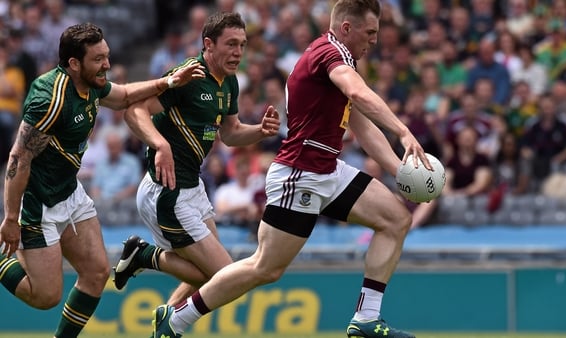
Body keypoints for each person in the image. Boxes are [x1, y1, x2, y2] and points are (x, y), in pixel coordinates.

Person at [149, 0, 432, 337]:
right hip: (300, 174)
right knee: (265, 268)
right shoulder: (330, 54)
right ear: (346, 29)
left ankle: (366, 319)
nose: (374, 39)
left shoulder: (341, 59)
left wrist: (399, 170)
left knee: (397, 219)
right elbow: (358, 91)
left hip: (326, 169)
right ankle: (176, 318)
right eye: (370, 32)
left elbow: (362, 122)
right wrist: (403, 131)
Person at [0, 22, 203, 338]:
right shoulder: (50, 99)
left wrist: (169, 81)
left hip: (70, 193)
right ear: (74, 64)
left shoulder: (91, 83)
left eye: (107, 56)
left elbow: (122, 96)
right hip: (38, 204)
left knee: (96, 274)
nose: (107, 64)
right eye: (99, 59)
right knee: (45, 297)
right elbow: (18, 159)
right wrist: (11, 218)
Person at [112, 11, 281, 310]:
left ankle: (165, 322)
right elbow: (134, 111)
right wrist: (160, 144)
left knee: (206, 276)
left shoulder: (229, 83)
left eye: (242, 44)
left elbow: (230, 133)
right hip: (167, 191)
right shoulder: (189, 75)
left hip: (193, 188)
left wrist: (260, 132)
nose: (238, 52)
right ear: (208, 44)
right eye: (230, 44)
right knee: (224, 276)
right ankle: (143, 255)